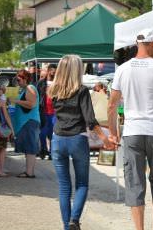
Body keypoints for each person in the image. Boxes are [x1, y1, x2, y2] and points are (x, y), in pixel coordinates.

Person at [107, 29, 153, 230]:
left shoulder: (123, 69)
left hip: (133, 131)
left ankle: (139, 229)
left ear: (137, 43)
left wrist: (113, 133)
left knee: (134, 183)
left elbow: (112, 104)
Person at [48, 55, 114, 230]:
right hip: (77, 138)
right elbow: (90, 120)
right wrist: (105, 139)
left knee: (63, 187)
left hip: (58, 138)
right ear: (77, 70)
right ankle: (74, 220)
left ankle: (67, 226)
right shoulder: (82, 90)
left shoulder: (53, 90)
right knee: (82, 183)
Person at [10, 69, 40, 178]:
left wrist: (16, 101)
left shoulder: (30, 88)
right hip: (26, 123)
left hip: (29, 122)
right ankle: (29, 171)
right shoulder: (24, 89)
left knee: (30, 148)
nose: (17, 82)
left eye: (18, 80)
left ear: (25, 79)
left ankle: (29, 172)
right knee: (29, 148)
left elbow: (31, 104)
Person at [37, 63, 57, 160]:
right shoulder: (41, 83)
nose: (54, 72)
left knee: (52, 134)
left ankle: (51, 153)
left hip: (54, 113)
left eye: (55, 71)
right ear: (48, 71)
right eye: (52, 70)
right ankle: (43, 150)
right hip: (43, 111)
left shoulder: (58, 84)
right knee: (42, 133)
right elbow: (37, 96)